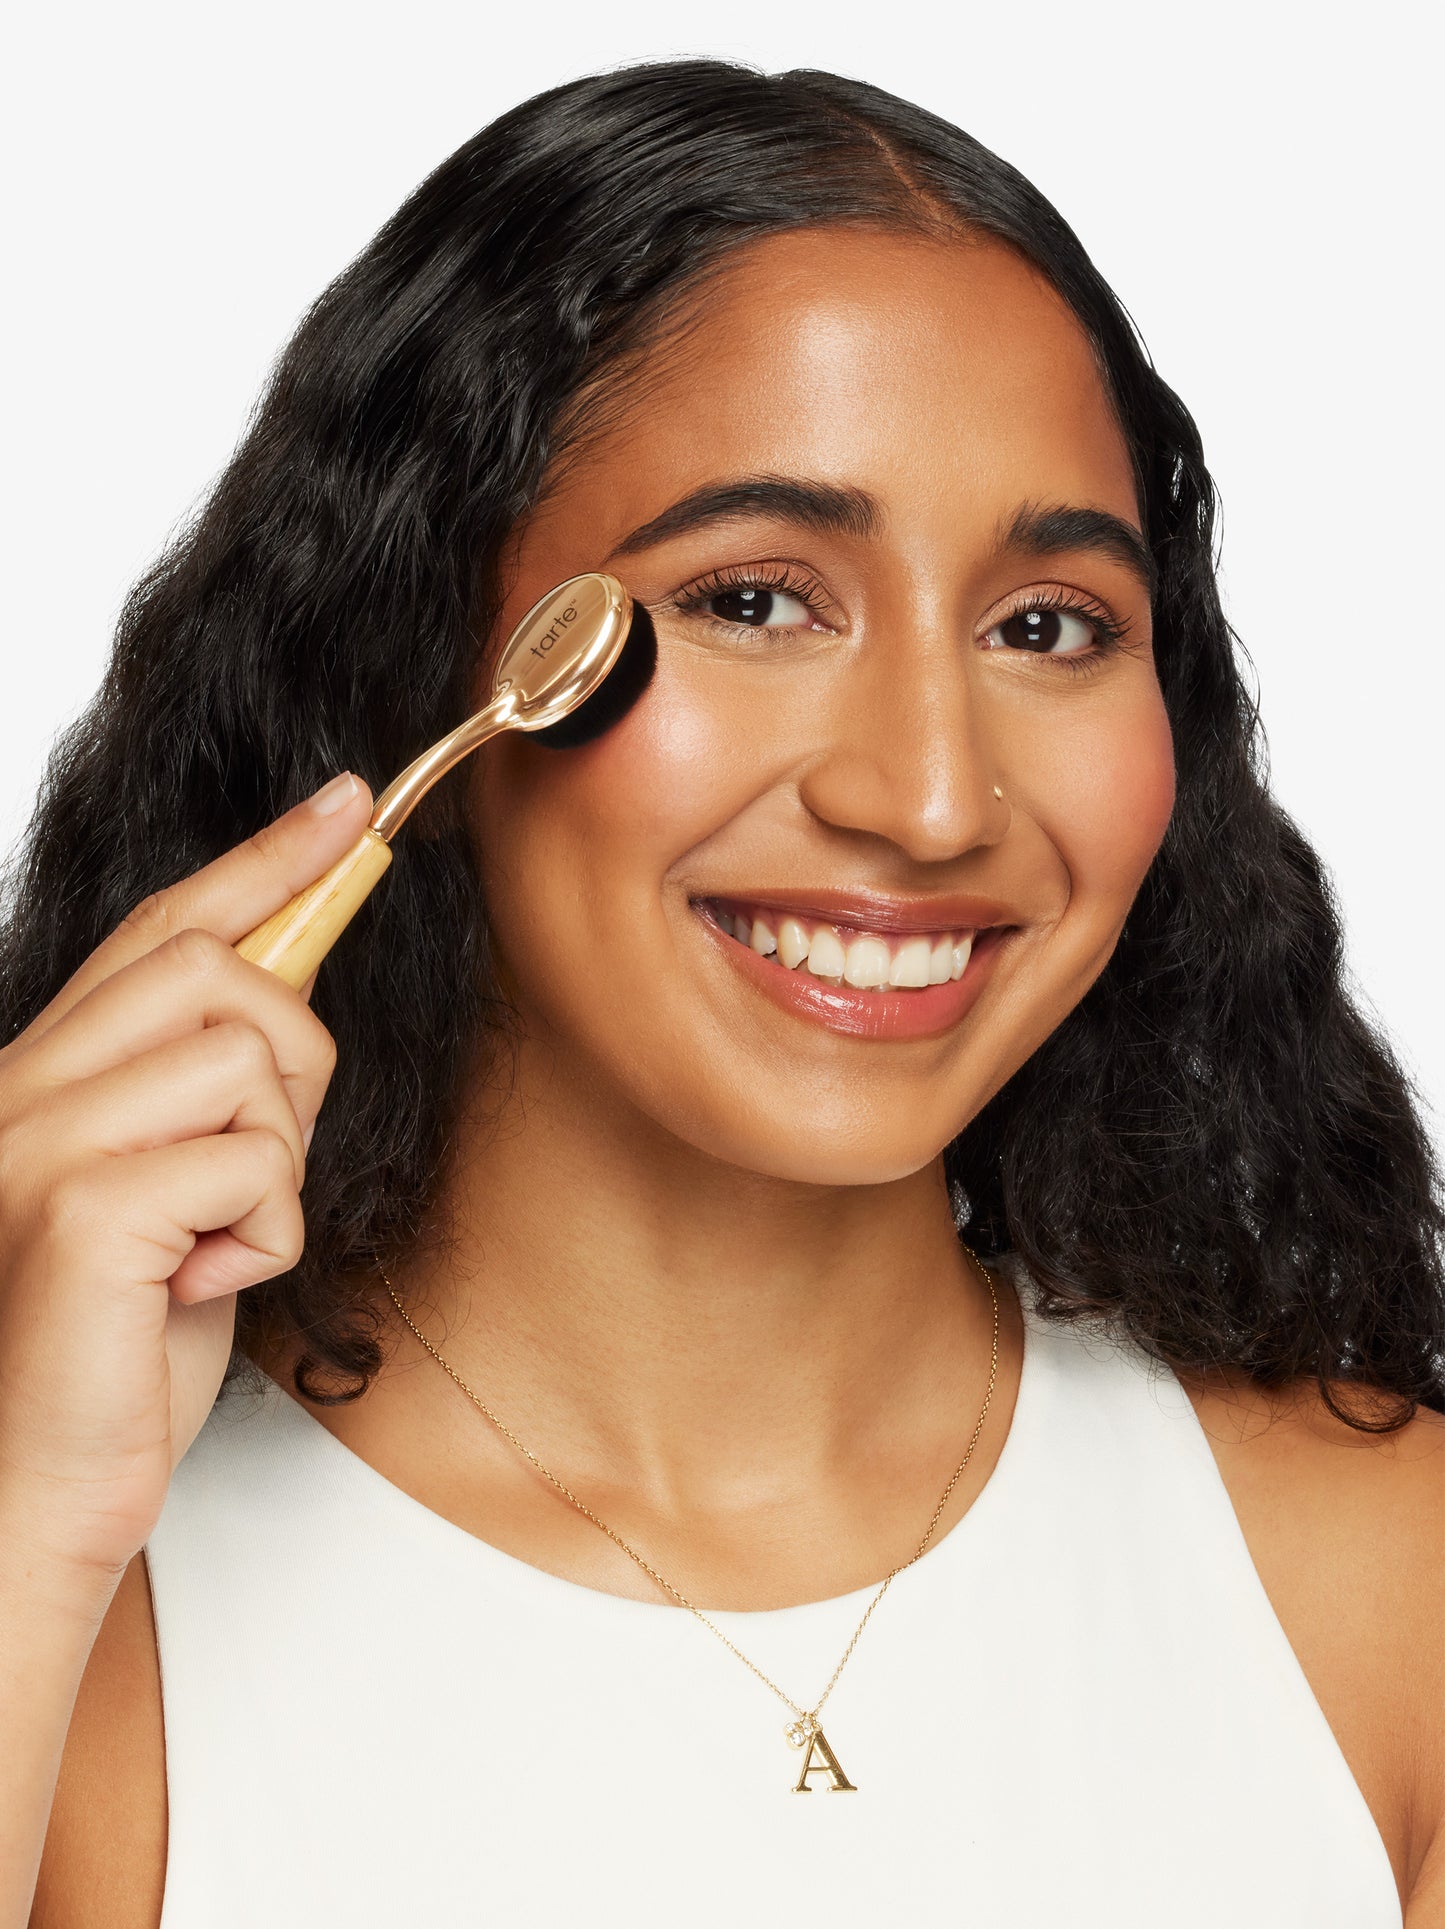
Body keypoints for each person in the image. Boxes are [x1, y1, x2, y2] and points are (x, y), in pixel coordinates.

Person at [2, 59, 1440, 1929]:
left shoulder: (1387, 1590)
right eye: (753, 600)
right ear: (424, 654)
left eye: (1046, 626)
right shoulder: (82, 1614)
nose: (932, 798)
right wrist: (29, 1516)